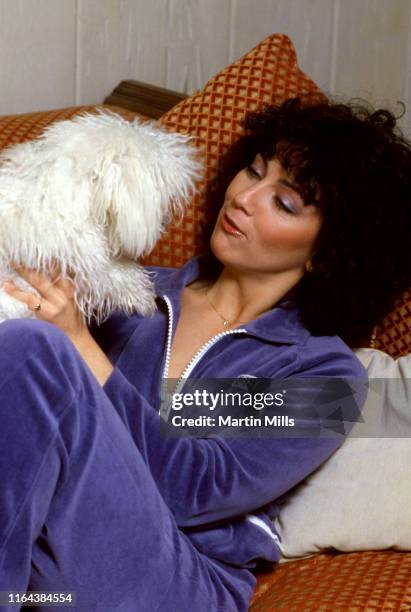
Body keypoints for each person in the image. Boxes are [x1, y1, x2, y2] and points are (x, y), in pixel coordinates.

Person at [1, 98, 411, 612]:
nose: (244, 197)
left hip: (179, 583)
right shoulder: (134, 296)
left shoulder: (325, 374)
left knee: (36, 348)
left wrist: (78, 344)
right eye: (252, 171)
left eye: (283, 203)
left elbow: (196, 487)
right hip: (51, 567)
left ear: (328, 253)